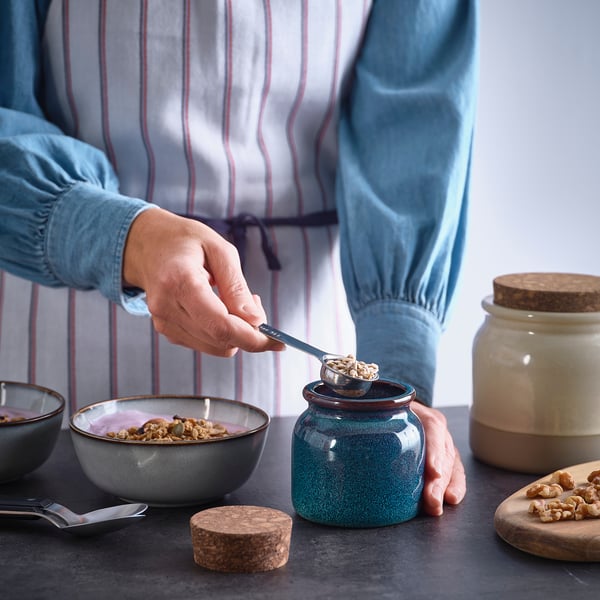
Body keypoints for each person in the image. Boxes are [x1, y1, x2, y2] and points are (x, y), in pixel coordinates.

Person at [0, 0, 478, 516]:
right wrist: (126, 239)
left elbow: (413, 134)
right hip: (65, 312)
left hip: (302, 328)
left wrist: (396, 394)